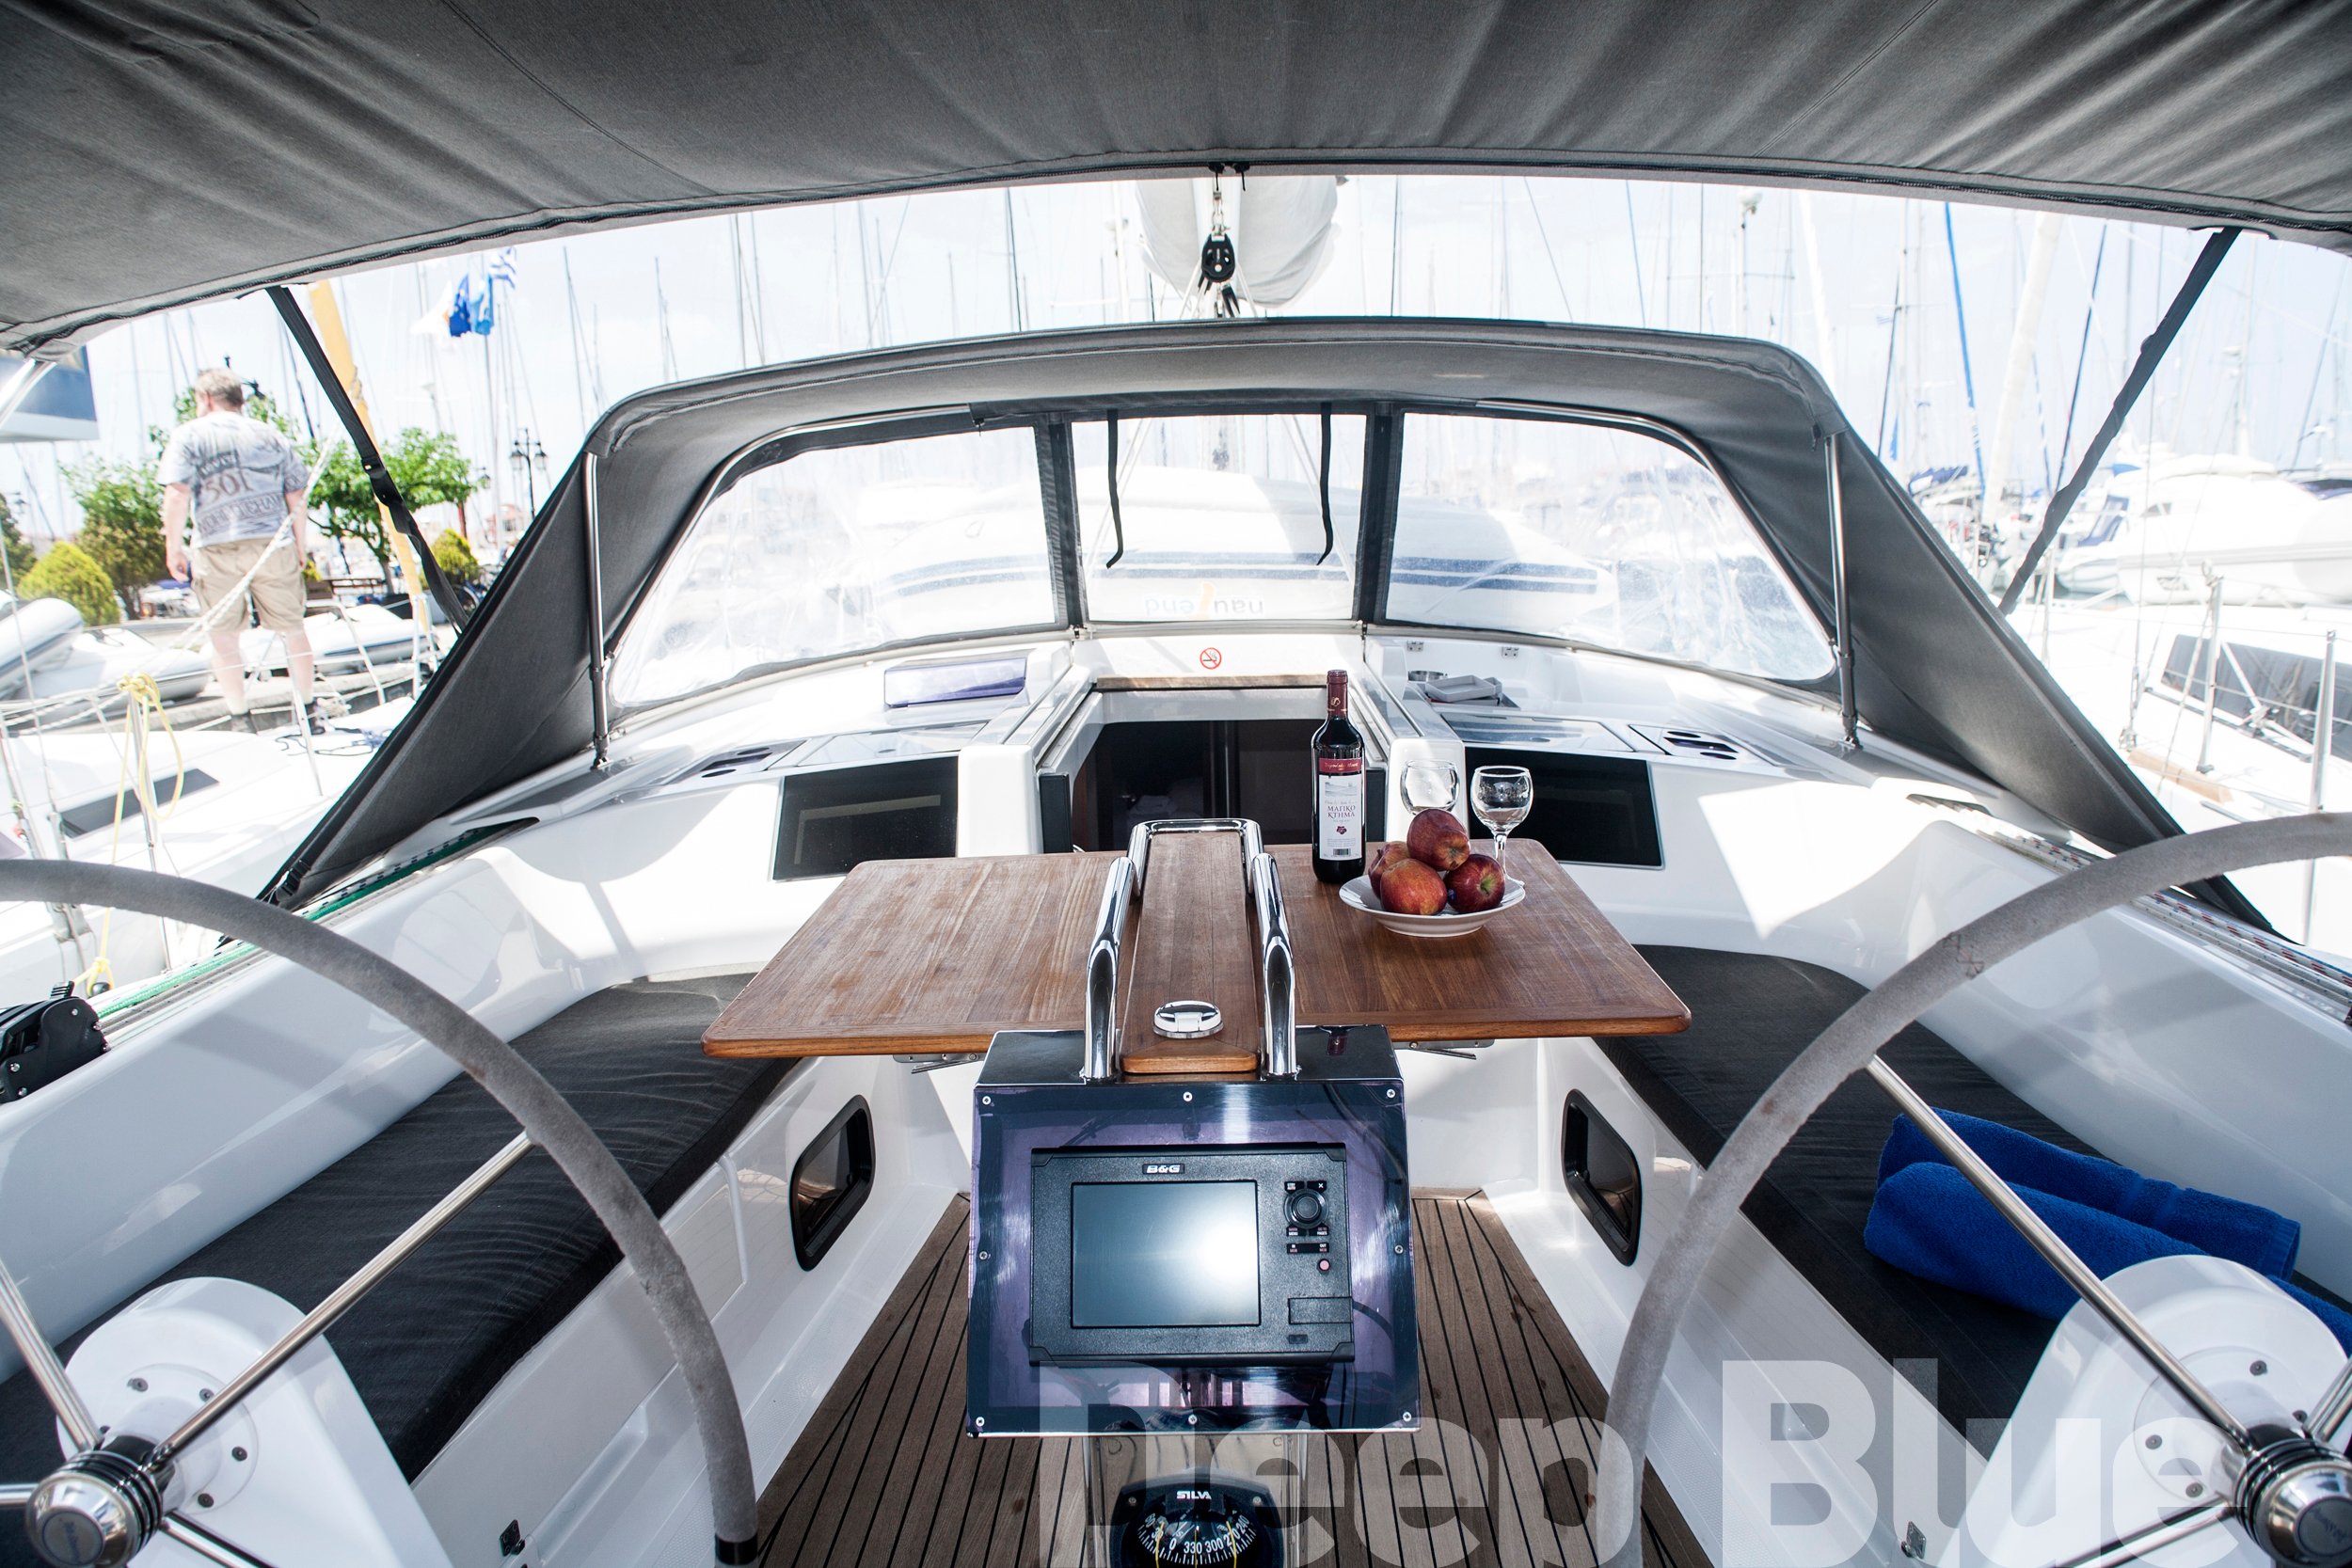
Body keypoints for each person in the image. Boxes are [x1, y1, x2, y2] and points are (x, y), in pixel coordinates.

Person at [159, 368, 323, 732]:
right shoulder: (271, 435)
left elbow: (176, 494)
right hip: (272, 543)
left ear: (205, 399)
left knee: (223, 638)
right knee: (292, 630)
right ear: (240, 400)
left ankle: (240, 718)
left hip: (215, 546)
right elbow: (296, 494)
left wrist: (174, 548)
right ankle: (309, 710)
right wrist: (300, 545)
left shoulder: (188, 434)